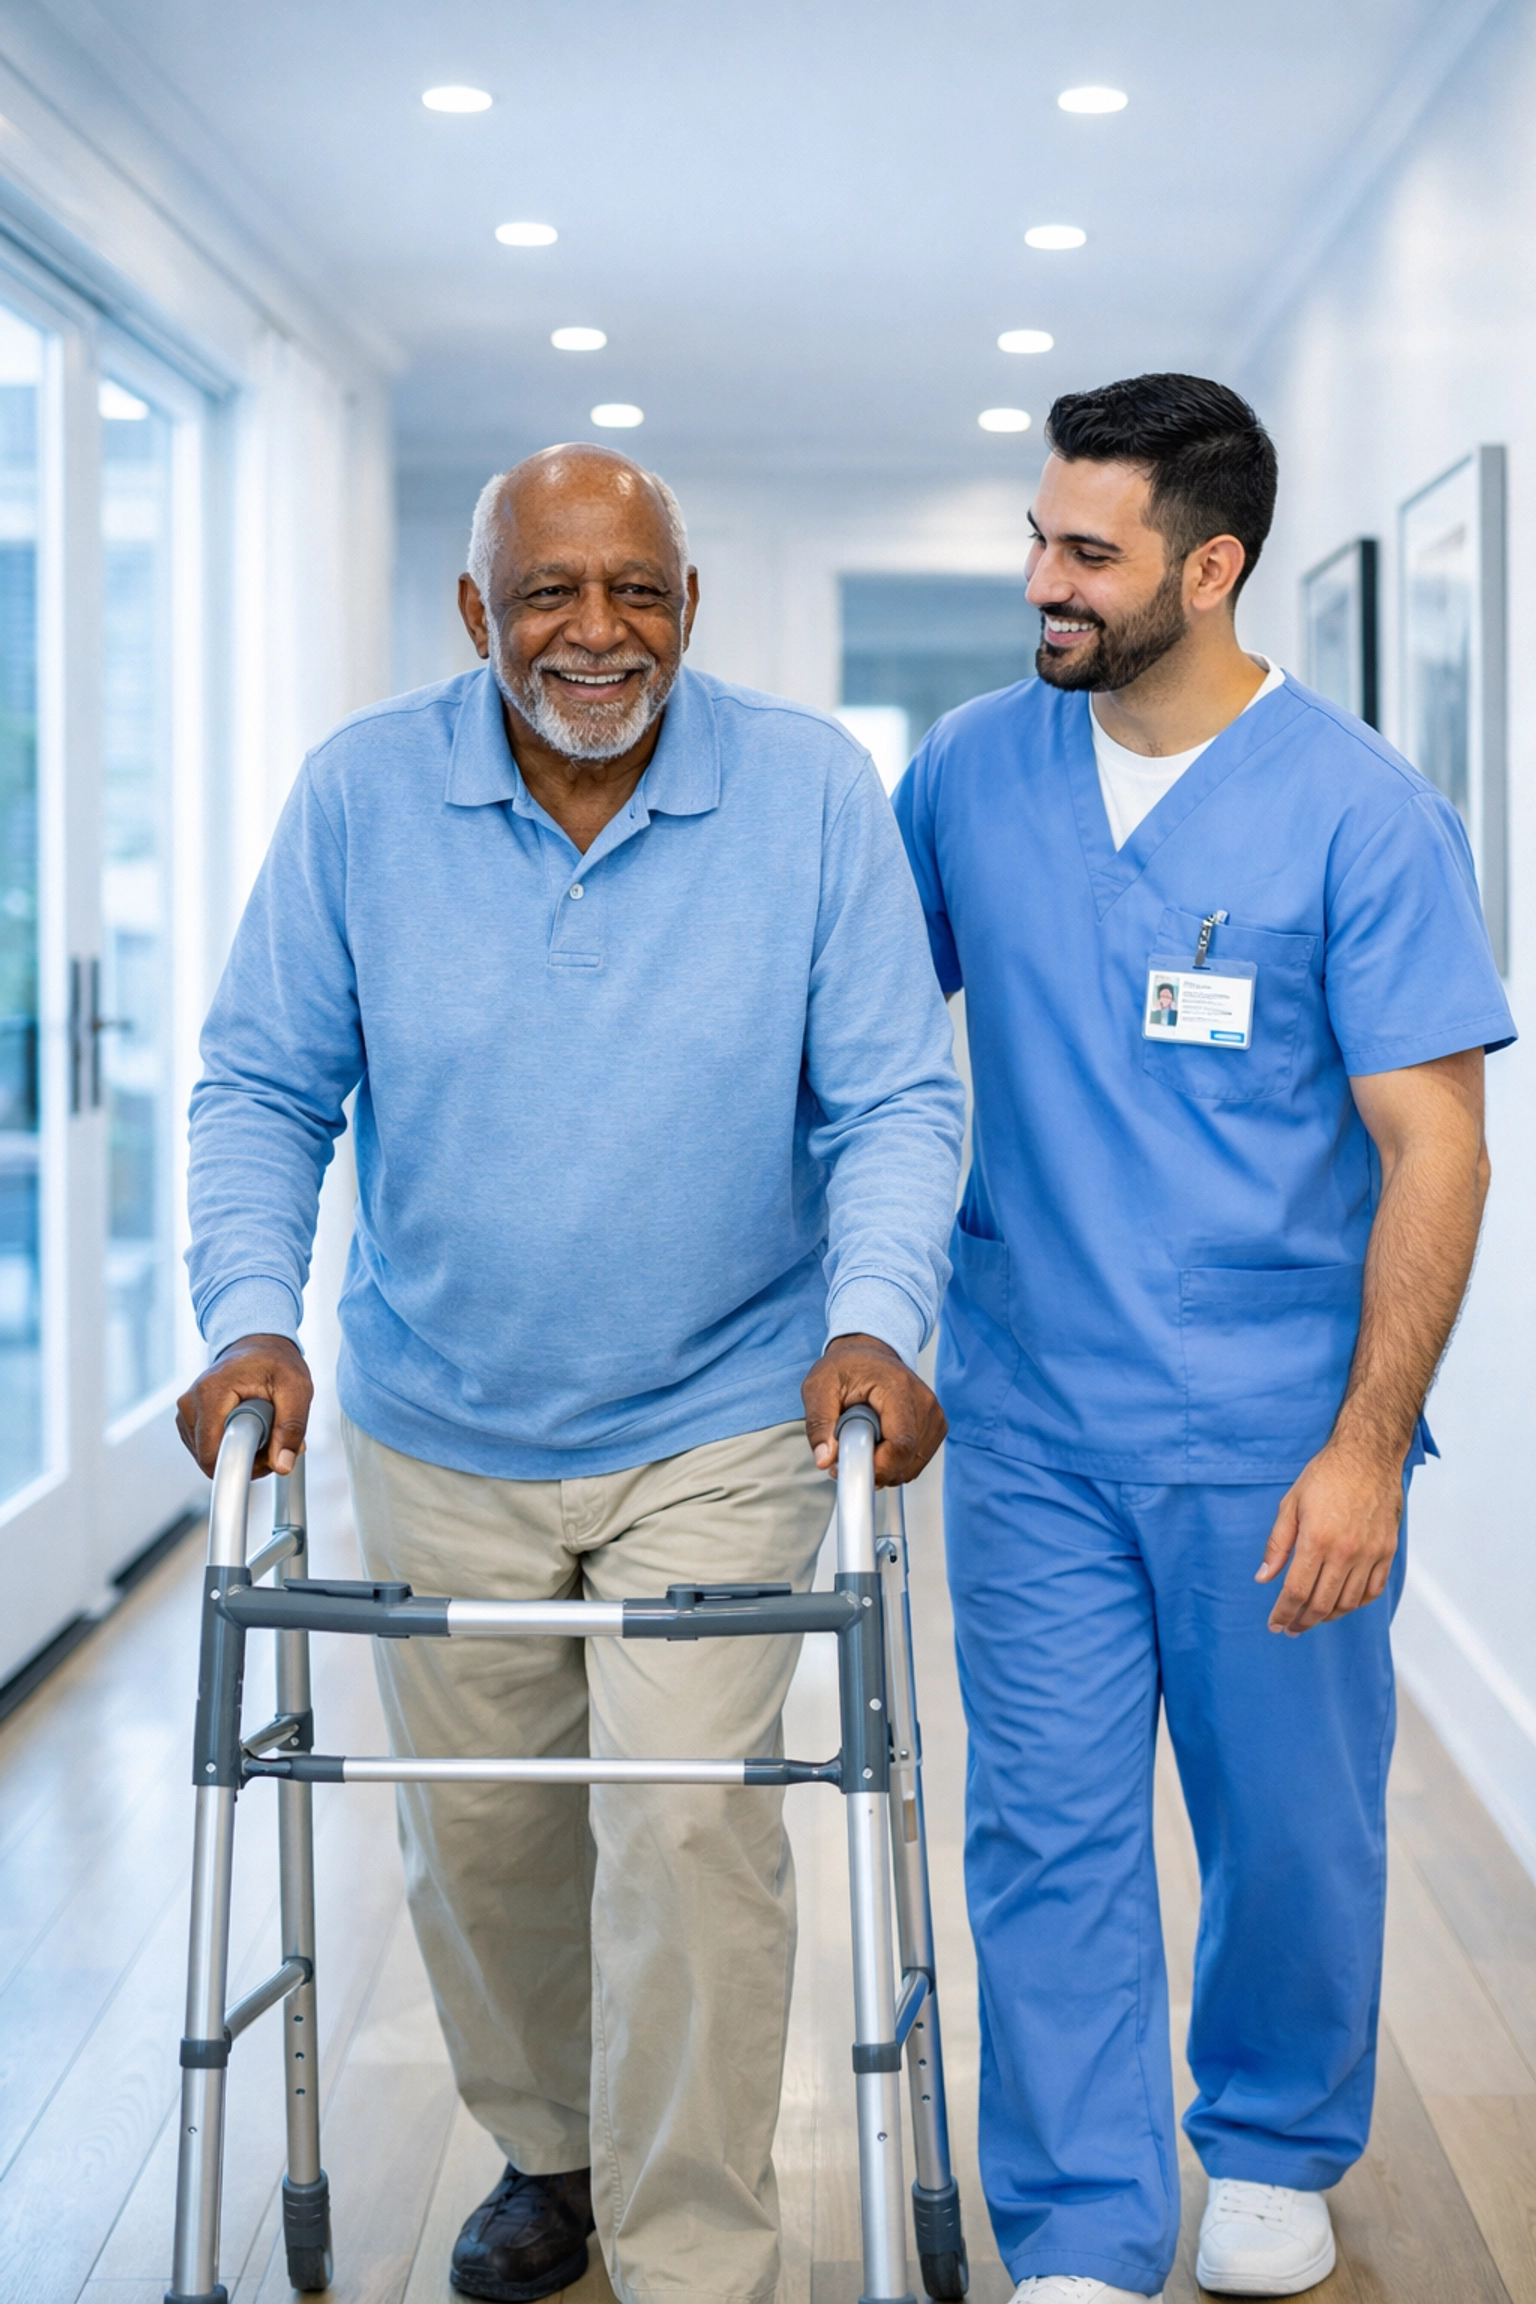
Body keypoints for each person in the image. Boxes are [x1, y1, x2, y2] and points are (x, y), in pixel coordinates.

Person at [179, 443, 965, 2304]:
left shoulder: (809, 794)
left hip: (723, 1407)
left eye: (635, 592)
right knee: (486, 1840)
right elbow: (263, 1086)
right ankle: (559, 2158)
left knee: (688, 1817)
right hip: (442, 1405)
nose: (594, 634)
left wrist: (881, 1313)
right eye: (549, 593)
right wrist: (245, 1317)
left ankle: (697, 2250)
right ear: (478, 616)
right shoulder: (362, 798)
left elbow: (895, 1096)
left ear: (689, 607)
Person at [895, 374, 1515, 2304]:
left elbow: (1440, 1148)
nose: (1044, 584)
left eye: (1089, 552)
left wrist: (1365, 1442)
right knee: (1050, 1830)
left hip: (1275, 1432)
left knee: (1291, 1829)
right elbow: (860, 1041)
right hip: (1033, 1418)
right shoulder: (971, 773)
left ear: (1212, 565)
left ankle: (1266, 2145)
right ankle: (1081, 2222)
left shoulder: (1362, 815)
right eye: (1038, 540)